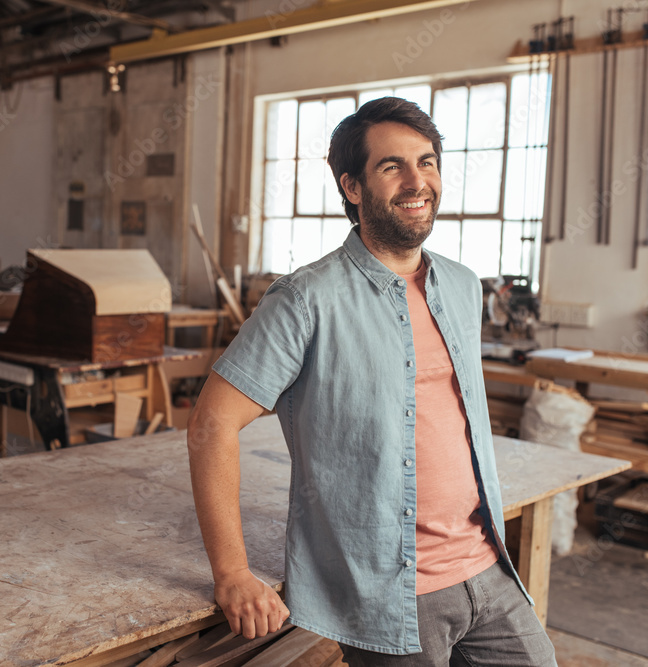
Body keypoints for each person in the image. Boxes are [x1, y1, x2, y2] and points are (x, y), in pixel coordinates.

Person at [186, 97, 558, 666]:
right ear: (353, 187)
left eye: (427, 162)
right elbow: (212, 424)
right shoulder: (306, 299)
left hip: (488, 565)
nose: (418, 181)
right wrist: (232, 571)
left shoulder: (461, 285)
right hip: (391, 591)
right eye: (392, 166)